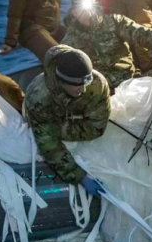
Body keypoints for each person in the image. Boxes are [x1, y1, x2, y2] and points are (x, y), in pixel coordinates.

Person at [62, 0, 152, 91]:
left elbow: (144, 35)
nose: (87, 12)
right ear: (74, 12)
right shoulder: (70, 40)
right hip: (99, 94)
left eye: (89, 6)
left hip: (130, 83)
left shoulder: (115, 22)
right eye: (81, 7)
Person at [23, 45, 110, 185]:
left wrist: (62, 126)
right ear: (62, 81)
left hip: (62, 122)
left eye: (86, 81)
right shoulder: (38, 97)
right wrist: (78, 176)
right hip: (45, 118)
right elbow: (49, 145)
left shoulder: (97, 84)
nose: (83, 89)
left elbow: (96, 127)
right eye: (77, 85)